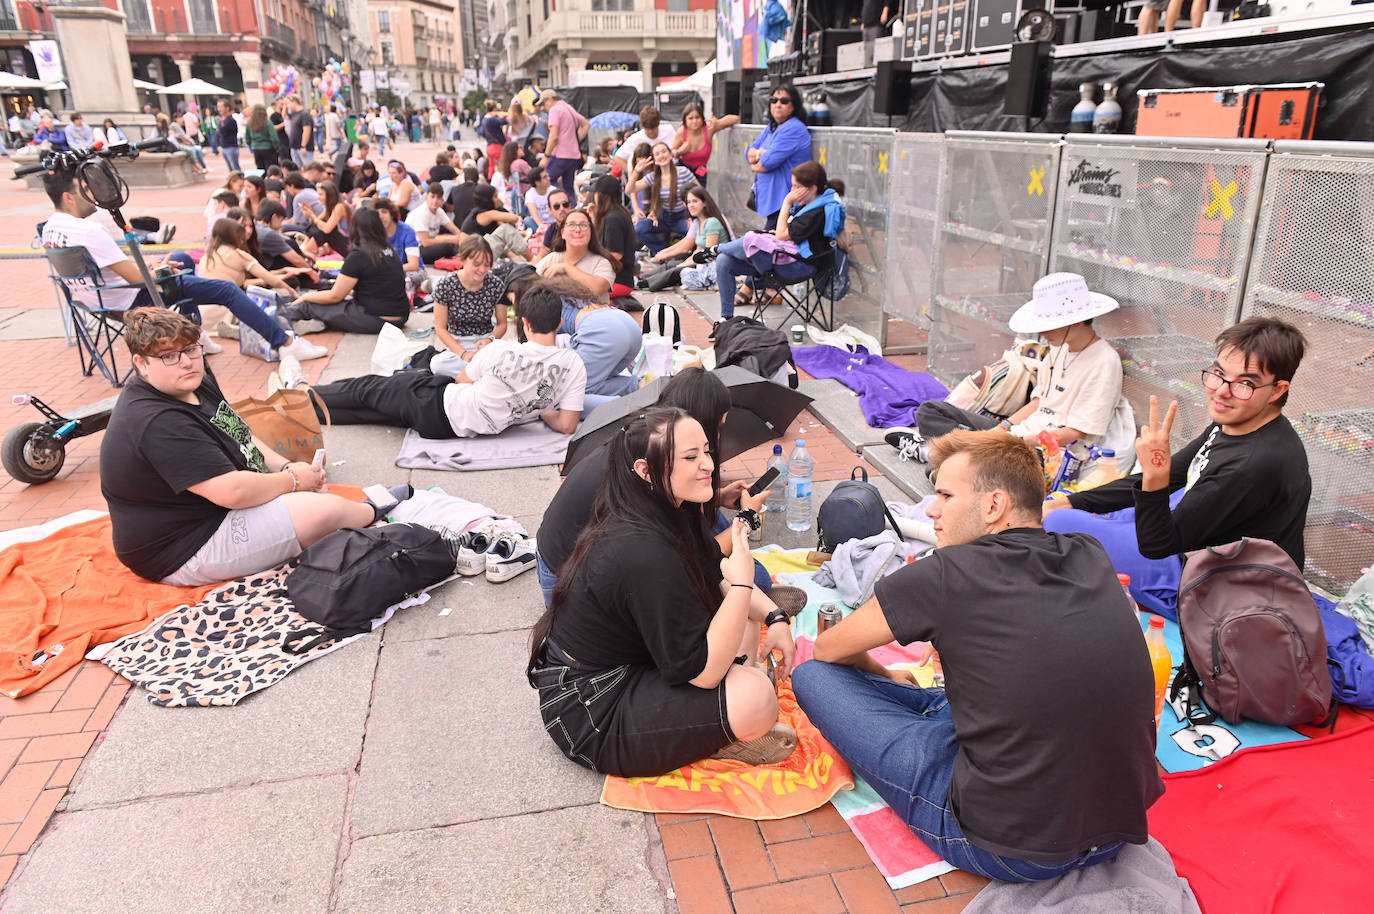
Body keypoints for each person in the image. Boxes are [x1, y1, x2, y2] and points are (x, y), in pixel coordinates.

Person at [794, 428, 1163, 880]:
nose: (931, 509)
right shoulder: (1089, 553)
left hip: (1008, 846)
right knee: (974, 696)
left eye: (945, 495)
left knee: (812, 675)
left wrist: (880, 673)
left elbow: (830, 648)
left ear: (993, 506)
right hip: (1115, 831)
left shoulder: (945, 573)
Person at [527, 406, 800, 776]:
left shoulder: (666, 509)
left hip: (631, 667)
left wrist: (775, 617)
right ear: (645, 470)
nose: (707, 464)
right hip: (591, 712)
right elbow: (703, 673)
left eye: (707, 451)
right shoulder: (642, 549)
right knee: (756, 699)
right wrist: (740, 585)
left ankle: (716, 721)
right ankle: (720, 730)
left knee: (749, 625)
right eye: (691, 457)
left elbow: (712, 569)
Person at [98, 308, 412, 585]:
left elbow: (240, 433)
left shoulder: (190, 379)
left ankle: (347, 516)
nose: (186, 362)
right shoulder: (156, 420)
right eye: (168, 356)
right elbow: (232, 492)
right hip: (180, 548)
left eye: (191, 349)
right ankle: (369, 511)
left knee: (308, 497)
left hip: (209, 513)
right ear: (141, 363)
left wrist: (288, 467)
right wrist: (292, 482)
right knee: (321, 510)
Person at [1043, 317, 1310, 619]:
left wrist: (1153, 479)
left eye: (1245, 384)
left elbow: (1157, 544)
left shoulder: (1253, 464)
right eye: (1219, 374)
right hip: (1198, 539)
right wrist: (1072, 500)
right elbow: (1170, 475)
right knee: (1086, 508)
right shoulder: (1238, 421)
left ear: (1277, 390)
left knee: (1060, 525)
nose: (1222, 391)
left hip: (1216, 585)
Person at [535, 365, 803, 606]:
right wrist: (746, 519)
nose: (713, 456)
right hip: (570, 580)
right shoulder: (650, 474)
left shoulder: (650, 438)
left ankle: (742, 592)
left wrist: (718, 496)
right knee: (753, 577)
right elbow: (695, 560)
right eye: (717, 428)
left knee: (715, 520)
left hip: (580, 553)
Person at [41, 170, 325, 361]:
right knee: (227, 289)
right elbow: (139, 278)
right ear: (69, 197)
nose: (93, 194)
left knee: (183, 257)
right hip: (134, 300)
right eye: (85, 190)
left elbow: (111, 269)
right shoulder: (89, 231)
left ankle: (196, 338)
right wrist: (159, 271)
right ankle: (285, 344)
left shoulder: (50, 229)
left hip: (98, 301)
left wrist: (159, 266)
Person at [311, 283, 586, 439]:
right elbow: (567, 425)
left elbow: (461, 380)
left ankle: (301, 395)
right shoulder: (573, 365)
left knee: (366, 389)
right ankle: (306, 413)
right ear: (560, 323)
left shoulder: (500, 350)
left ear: (524, 322)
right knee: (370, 414)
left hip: (436, 403)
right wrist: (544, 408)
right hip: (444, 429)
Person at [904, 273, 1124, 458]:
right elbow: (1038, 402)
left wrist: (1018, 441)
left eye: (1049, 325)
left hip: (1045, 451)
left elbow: (1077, 432)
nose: (1043, 333)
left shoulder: (1104, 362)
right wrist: (1002, 430)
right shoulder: (1058, 349)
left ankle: (948, 452)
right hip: (1019, 433)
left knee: (963, 472)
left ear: (1076, 320)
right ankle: (961, 451)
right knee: (929, 411)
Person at [715, 161, 844, 320]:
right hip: (785, 259)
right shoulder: (807, 205)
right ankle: (725, 319)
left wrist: (787, 201)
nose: (792, 191)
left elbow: (782, 235)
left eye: (796, 186)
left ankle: (715, 250)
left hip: (797, 267)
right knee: (724, 261)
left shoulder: (817, 212)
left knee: (752, 239)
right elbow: (785, 235)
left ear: (812, 189)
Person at [286, 208, 410, 334]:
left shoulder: (359, 254)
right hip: (400, 316)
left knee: (308, 305)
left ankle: (276, 320)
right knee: (325, 298)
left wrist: (306, 297)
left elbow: (335, 296)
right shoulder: (389, 251)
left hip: (378, 319)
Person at [430, 236, 506, 378]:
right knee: (437, 364)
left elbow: (502, 324)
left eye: (487, 265)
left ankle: (473, 373)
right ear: (463, 260)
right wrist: (463, 353)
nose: (482, 270)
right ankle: (481, 373)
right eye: (477, 264)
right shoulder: (446, 285)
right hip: (458, 343)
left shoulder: (495, 284)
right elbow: (440, 328)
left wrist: (490, 340)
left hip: (486, 343)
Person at [747, 85, 813, 230]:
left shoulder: (793, 128)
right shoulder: (772, 126)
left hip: (787, 203)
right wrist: (760, 154)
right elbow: (748, 153)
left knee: (771, 247)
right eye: (774, 100)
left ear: (793, 105)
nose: (777, 104)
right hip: (774, 203)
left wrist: (758, 161)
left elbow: (767, 162)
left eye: (784, 101)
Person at [641, 186, 730, 292]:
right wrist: (684, 261)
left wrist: (683, 264)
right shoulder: (698, 222)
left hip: (712, 267)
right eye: (689, 202)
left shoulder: (712, 222)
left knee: (677, 270)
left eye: (695, 201)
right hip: (702, 262)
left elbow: (708, 255)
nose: (691, 205)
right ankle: (643, 277)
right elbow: (698, 250)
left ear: (705, 203)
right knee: (671, 264)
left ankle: (645, 284)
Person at [198, 216, 297, 298]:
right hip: (226, 307)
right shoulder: (238, 254)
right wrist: (294, 293)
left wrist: (282, 271)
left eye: (250, 227)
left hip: (204, 307)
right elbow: (274, 281)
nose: (247, 233)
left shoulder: (207, 256)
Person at [535, 207, 616, 302]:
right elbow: (529, 280)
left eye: (583, 225)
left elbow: (598, 288)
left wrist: (566, 268)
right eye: (571, 225)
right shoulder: (553, 258)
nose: (577, 229)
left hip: (592, 315)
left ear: (591, 231)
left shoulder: (602, 262)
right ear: (563, 233)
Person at [630, 142, 697, 254]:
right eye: (657, 154)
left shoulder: (683, 172)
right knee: (639, 228)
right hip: (663, 217)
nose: (661, 155)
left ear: (670, 154)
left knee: (696, 232)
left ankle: (684, 255)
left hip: (682, 216)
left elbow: (700, 193)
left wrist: (693, 217)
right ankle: (662, 252)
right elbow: (630, 189)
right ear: (654, 159)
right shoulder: (653, 177)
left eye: (664, 151)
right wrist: (636, 171)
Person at [587, 175, 637, 299]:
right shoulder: (617, 213)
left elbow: (616, 255)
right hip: (618, 279)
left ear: (601, 195)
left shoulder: (613, 218)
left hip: (617, 281)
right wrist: (594, 218)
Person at [671, 104, 738, 186]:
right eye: (690, 118)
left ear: (702, 118)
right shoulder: (682, 131)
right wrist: (680, 151)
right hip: (684, 168)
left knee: (700, 195)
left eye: (697, 117)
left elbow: (735, 119)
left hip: (701, 169)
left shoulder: (709, 129)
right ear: (685, 120)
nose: (694, 121)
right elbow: (672, 152)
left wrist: (718, 122)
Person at [461, 183, 531, 262]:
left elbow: (502, 230)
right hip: (473, 254)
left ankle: (524, 263)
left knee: (506, 245)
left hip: (474, 253)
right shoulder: (486, 214)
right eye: (495, 196)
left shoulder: (483, 213)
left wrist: (522, 233)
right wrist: (499, 204)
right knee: (505, 230)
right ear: (487, 199)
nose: (498, 199)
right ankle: (531, 259)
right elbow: (514, 218)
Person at [541, 90, 588, 199]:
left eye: (543, 103)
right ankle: (571, 205)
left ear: (549, 100)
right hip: (573, 154)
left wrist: (546, 156)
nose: (544, 107)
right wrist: (573, 139)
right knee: (568, 185)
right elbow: (586, 124)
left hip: (560, 154)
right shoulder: (568, 108)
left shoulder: (555, 110)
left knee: (547, 181)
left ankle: (562, 200)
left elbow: (553, 136)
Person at [406, 182, 465, 263]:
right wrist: (449, 239)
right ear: (426, 198)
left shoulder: (439, 211)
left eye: (438, 198)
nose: (435, 201)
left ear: (442, 200)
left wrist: (463, 239)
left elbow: (454, 229)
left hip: (428, 246)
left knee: (456, 242)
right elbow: (425, 242)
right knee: (448, 246)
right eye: (432, 197)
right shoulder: (421, 213)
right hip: (415, 251)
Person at [611, 106, 676, 177]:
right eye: (647, 128)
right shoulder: (635, 138)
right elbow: (618, 157)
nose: (651, 132)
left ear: (658, 123)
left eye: (653, 127)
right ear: (642, 126)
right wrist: (633, 174)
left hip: (670, 173)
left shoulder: (669, 130)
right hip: (648, 180)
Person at [301, 180, 352, 257]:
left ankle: (306, 251)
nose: (318, 197)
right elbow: (317, 221)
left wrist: (312, 216)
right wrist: (309, 212)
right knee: (318, 225)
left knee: (324, 232)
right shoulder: (330, 207)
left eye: (321, 194)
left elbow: (327, 229)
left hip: (350, 243)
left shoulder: (340, 207)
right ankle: (306, 249)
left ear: (329, 195)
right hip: (344, 241)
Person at [373, 198, 423, 272]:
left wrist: (387, 271)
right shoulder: (374, 232)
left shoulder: (407, 231)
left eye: (384, 212)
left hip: (410, 271)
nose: (381, 217)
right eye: (377, 214)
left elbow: (414, 265)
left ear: (392, 214)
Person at [479, 99, 508, 178]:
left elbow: (482, 133)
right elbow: (505, 121)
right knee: (499, 167)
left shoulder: (484, 119)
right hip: (497, 147)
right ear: (494, 109)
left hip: (489, 146)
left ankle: (491, 182)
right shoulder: (491, 120)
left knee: (491, 167)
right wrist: (504, 115)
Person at [245, 104, 279, 171]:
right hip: (268, 148)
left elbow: (247, 138)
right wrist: (276, 147)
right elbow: (274, 137)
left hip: (256, 148)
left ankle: (261, 181)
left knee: (260, 169)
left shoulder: (249, 123)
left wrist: (251, 145)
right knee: (271, 169)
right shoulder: (267, 123)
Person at [523, 166, 554, 231]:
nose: (549, 178)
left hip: (554, 223)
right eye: (545, 177)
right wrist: (543, 228)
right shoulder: (530, 194)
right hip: (540, 224)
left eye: (547, 175)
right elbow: (534, 215)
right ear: (537, 182)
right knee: (527, 220)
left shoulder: (553, 190)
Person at [286, 95, 313, 167]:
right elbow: (284, 116)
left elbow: (307, 130)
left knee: (308, 168)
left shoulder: (304, 114)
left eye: (288, 103)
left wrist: (303, 146)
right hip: (294, 147)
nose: (287, 106)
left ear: (294, 102)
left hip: (303, 147)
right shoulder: (294, 114)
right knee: (298, 168)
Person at [216, 99, 241, 173]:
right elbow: (219, 131)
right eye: (218, 107)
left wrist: (220, 130)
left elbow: (221, 131)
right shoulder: (223, 120)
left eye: (221, 107)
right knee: (231, 170)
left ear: (227, 108)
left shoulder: (231, 120)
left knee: (235, 169)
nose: (219, 109)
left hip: (231, 147)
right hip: (225, 147)